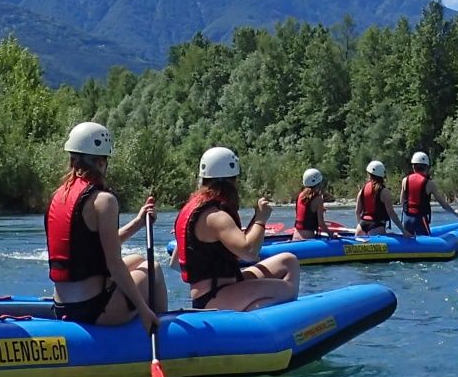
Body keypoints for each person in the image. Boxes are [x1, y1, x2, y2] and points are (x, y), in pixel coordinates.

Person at [45, 121, 162, 330]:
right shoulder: (104, 200)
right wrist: (144, 309)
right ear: (100, 163)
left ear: (72, 159)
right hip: (94, 309)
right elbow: (114, 265)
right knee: (153, 269)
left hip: (62, 306)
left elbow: (94, 247)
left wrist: (137, 223)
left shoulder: (58, 196)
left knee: (137, 259)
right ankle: (161, 328)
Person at [175, 147, 300, 311]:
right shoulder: (216, 216)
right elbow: (249, 253)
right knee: (286, 289)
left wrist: (256, 217)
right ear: (231, 182)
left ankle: (254, 307)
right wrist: (261, 219)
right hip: (213, 297)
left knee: (288, 261)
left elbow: (235, 249)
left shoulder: (200, 210)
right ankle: (251, 322)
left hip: (229, 285)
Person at [295, 169, 335, 238]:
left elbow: (303, 214)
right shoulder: (319, 199)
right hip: (308, 239)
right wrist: (331, 234)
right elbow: (321, 224)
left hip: (295, 236)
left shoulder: (300, 195)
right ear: (318, 183)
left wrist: (318, 210)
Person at [356, 161, 394, 233]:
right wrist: (403, 230)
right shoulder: (384, 191)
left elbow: (357, 212)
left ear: (369, 174)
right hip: (377, 226)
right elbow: (391, 213)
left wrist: (359, 225)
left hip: (361, 227)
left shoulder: (362, 190)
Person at [401, 151, 434, 235]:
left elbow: (402, 201)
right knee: (427, 245)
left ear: (413, 167)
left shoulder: (405, 180)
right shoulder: (429, 183)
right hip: (420, 219)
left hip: (406, 219)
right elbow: (443, 204)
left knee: (408, 244)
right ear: (426, 167)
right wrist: (454, 213)